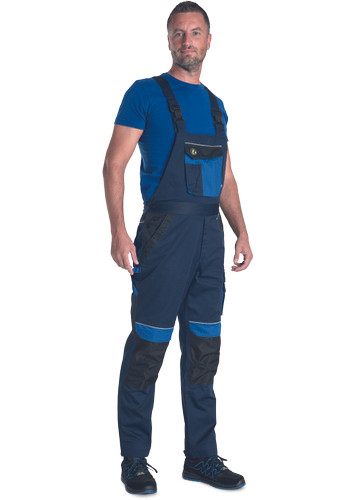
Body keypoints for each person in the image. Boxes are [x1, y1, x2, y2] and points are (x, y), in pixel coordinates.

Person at [103, 1, 253, 494]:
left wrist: (242, 230)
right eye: (179, 33)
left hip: (210, 237)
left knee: (204, 351)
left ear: (209, 40)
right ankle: (134, 459)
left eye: (196, 32)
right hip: (164, 235)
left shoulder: (216, 106)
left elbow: (225, 177)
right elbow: (114, 164)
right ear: (169, 40)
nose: (187, 40)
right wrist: (118, 231)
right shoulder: (144, 93)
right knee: (148, 348)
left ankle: (201, 458)